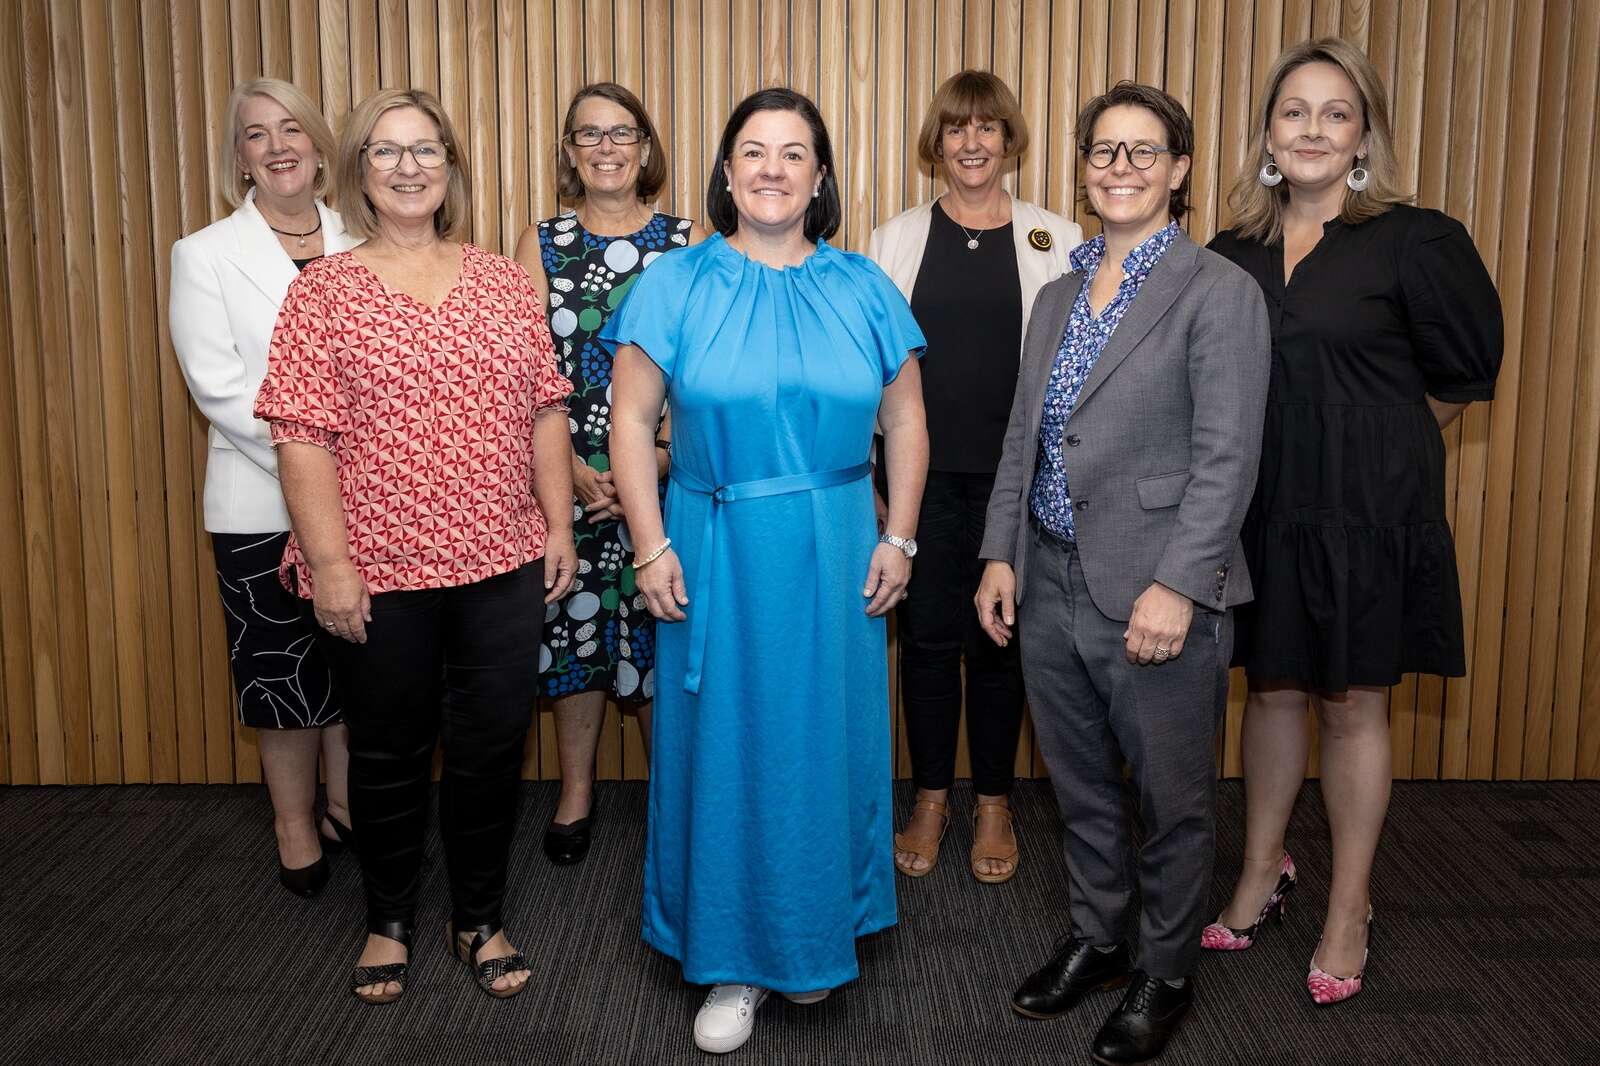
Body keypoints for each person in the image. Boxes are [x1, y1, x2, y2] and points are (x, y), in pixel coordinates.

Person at [603, 88, 928, 1055]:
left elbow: (905, 421)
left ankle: (815, 931)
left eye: (794, 154)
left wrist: (900, 535)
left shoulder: (865, 284)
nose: (773, 169)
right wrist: (650, 544)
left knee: (821, 742)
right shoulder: (676, 283)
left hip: (835, 542)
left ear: (820, 176)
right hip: (712, 545)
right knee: (729, 748)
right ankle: (734, 960)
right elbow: (628, 422)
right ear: (728, 170)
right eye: (754, 151)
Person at [254, 88, 576, 1005]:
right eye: (388, 152)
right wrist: (331, 566)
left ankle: (478, 916)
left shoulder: (504, 282)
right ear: (359, 170)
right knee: (389, 754)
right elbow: (301, 436)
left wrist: (555, 524)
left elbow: (544, 410)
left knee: (490, 751)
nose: (408, 167)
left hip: (500, 561)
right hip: (377, 572)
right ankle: (388, 919)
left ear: (450, 168)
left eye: (426, 150)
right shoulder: (323, 291)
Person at [975, 82, 1270, 1063]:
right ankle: (1100, 939)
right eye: (1104, 151)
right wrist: (999, 555)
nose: (1121, 169)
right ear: (1083, 165)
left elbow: (1229, 455)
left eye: (1144, 152)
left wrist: (1180, 584)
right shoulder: (1058, 291)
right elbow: (1026, 432)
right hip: (1050, 576)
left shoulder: (1217, 291)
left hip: (1154, 593)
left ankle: (1164, 968)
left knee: (1172, 798)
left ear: (1179, 170)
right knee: (1081, 788)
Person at [1204, 37, 1502, 1006]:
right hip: (1263, 504)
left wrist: (1374, 446)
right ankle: (1261, 869)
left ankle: (1349, 905)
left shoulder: (1416, 240)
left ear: (1363, 133)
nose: (1313, 130)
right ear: (1267, 132)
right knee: (1274, 688)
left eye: (1336, 112)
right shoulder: (1229, 253)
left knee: (1352, 702)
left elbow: (1462, 376)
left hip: (1370, 509)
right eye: (1294, 111)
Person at [867, 70, 1081, 884]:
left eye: (988, 128)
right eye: (957, 129)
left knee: (1000, 642)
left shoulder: (1055, 238)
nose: (972, 143)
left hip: (1016, 482)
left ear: (1009, 140)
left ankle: (993, 800)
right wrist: (872, 483)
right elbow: (869, 376)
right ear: (938, 143)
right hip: (918, 481)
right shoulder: (892, 241)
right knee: (923, 642)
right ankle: (930, 797)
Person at [170, 78, 361, 900]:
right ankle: (293, 824)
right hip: (258, 506)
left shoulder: (368, 240)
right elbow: (220, 389)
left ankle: (349, 807)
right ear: (239, 157)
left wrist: (366, 472)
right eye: (257, 135)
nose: (279, 146)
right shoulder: (203, 254)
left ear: (320, 147)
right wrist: (319, 466)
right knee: (281, 675)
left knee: (359, 671)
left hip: (373, 504)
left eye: (293, 130)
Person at [512, 82, 706, 867]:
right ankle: (576, 792)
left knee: (666, 630)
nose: (604, 148)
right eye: (587, 135)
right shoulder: (541, 243)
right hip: (567, 478)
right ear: (569, 152)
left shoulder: (687, 242)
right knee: (574, 630)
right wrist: (569, 470)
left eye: (620, 133)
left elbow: (701, 370)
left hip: (664, 476)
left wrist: (652, 458)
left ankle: (675, 796)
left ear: (645, 148)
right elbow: (525, 371)